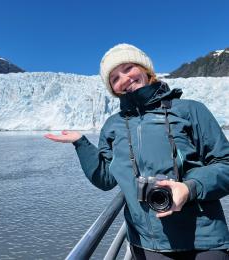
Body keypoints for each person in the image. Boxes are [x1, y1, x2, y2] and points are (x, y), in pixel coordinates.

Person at [45, 44, 229, 259]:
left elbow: (225, 163)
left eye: (128, 68)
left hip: (203, 239)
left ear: (146, 69)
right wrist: (81, 144)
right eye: (114, 78)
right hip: (146, 244)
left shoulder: (190, 110)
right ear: (112, 88)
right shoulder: (113, 125)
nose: (123, 79)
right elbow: (105, 179)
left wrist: (189, 188)